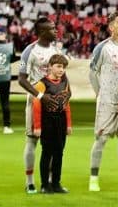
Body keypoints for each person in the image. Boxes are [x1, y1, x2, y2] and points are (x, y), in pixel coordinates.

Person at [88, 12, 118, 191]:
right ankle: (93, 178)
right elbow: (92, 72)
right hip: (107, 102)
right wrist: (100, 93)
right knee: (101, 140)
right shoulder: (102, 48)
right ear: (111, 27)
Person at [18, 17, 59, 194]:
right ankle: (29, 181)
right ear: (42, 32)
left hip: (54, 104)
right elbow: (21, 79)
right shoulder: (30, 51)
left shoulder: (56, 50)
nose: (56, 30)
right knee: (32, 140)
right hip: (36, 102)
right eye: (52, 28)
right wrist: (40, 96)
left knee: (51, 144)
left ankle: (49, 181)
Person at [32, 54, 72, 194]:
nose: (61, 70)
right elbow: (36, 105)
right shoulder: (42, 83)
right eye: (59, 66)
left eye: (63, 67)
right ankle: (44, 185)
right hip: (47, 120)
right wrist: (37, 126)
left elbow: (66, 103)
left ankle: (56, 183)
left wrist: (68, 124)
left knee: (59, 153)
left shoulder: (65, 83)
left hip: (61, 121)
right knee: (47, 153)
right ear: (50, 66)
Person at [0, 27, 15, 135]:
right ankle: (6, 126)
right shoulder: (10, 46)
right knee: (5, 102)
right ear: (5, 35)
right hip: (5, 77)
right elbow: (13, 58)